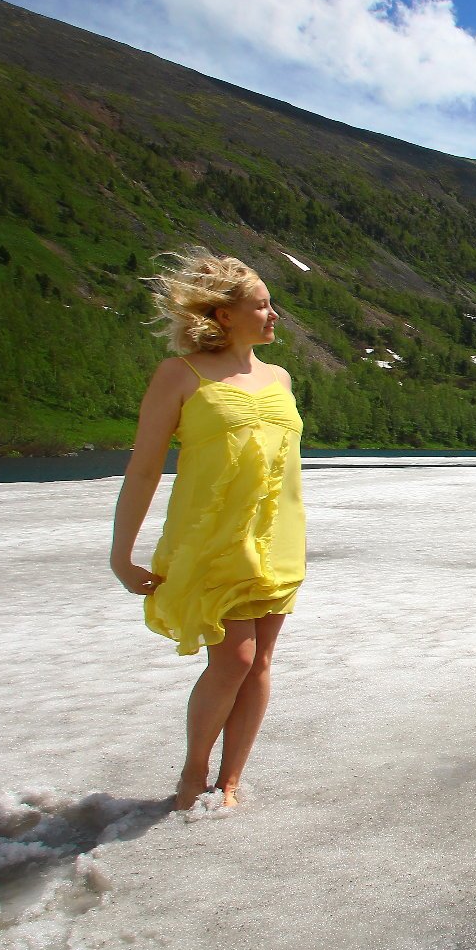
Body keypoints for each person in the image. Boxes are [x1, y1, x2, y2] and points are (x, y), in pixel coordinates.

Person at [109, 247, 306, 810]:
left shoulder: (280, 377)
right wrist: (122, 555)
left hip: (278, 538)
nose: (274, 316)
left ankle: (231, 781)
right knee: (235, 659)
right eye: (263, 306)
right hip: (212, 540)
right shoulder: (181, 374)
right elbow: (145, 466)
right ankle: (192, 776)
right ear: (224, 315)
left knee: (260, 662)